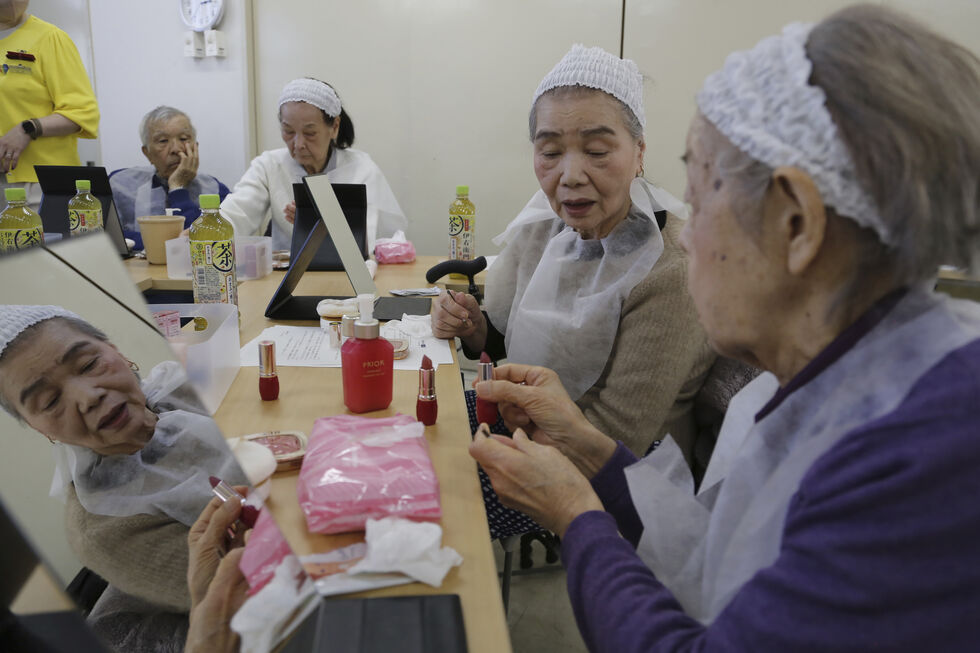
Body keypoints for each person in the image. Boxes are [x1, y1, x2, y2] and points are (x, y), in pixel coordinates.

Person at [470, 5, 980, 651]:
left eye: (703, 195)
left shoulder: (929, 448)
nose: (690, 231)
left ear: (797, 224)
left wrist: (577, 517)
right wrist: (589, 453)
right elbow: (713, 557)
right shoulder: (815, 383)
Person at [433, 45, 715, 460]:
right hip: (528, 423)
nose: (570, 176)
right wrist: (471, 325)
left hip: (617, 474)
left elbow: (615, 440)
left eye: (597, 152)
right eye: (550, 153)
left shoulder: (671, 270)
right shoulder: (545, 228)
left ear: (639, 152)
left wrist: (509, 428)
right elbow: (503, 335)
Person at [0, 305, 247, 634]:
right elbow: (248, 590)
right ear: (41, 429)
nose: (88, 397)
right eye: (49, 401)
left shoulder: (183, 384)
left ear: (116, 351)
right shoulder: (104, 530)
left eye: (89, 364)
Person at [220, 77, 408, 251]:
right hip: (284, 277)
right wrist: (202, 232)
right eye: (288, 131)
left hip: (349, 277)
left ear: (334, 127)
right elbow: (236, 214)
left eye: (310, 133)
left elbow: (370, 242)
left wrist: (319, 222)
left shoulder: (361, 169)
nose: (298, 144)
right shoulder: (269, 165)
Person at [0, 0, 99, 210]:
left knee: (43, 243)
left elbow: (83, 112)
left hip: (41, 182)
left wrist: (27, 129)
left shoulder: (50, 38)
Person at [109, 106, 230, 250]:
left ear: (195, 147)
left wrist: (178, 187)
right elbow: (107, 236)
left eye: (184, 139)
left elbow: (197, 244)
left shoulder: (215, 190)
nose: (176, 149)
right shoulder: (119, 184)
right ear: (147, 153)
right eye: (163, 141)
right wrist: (168, 242)